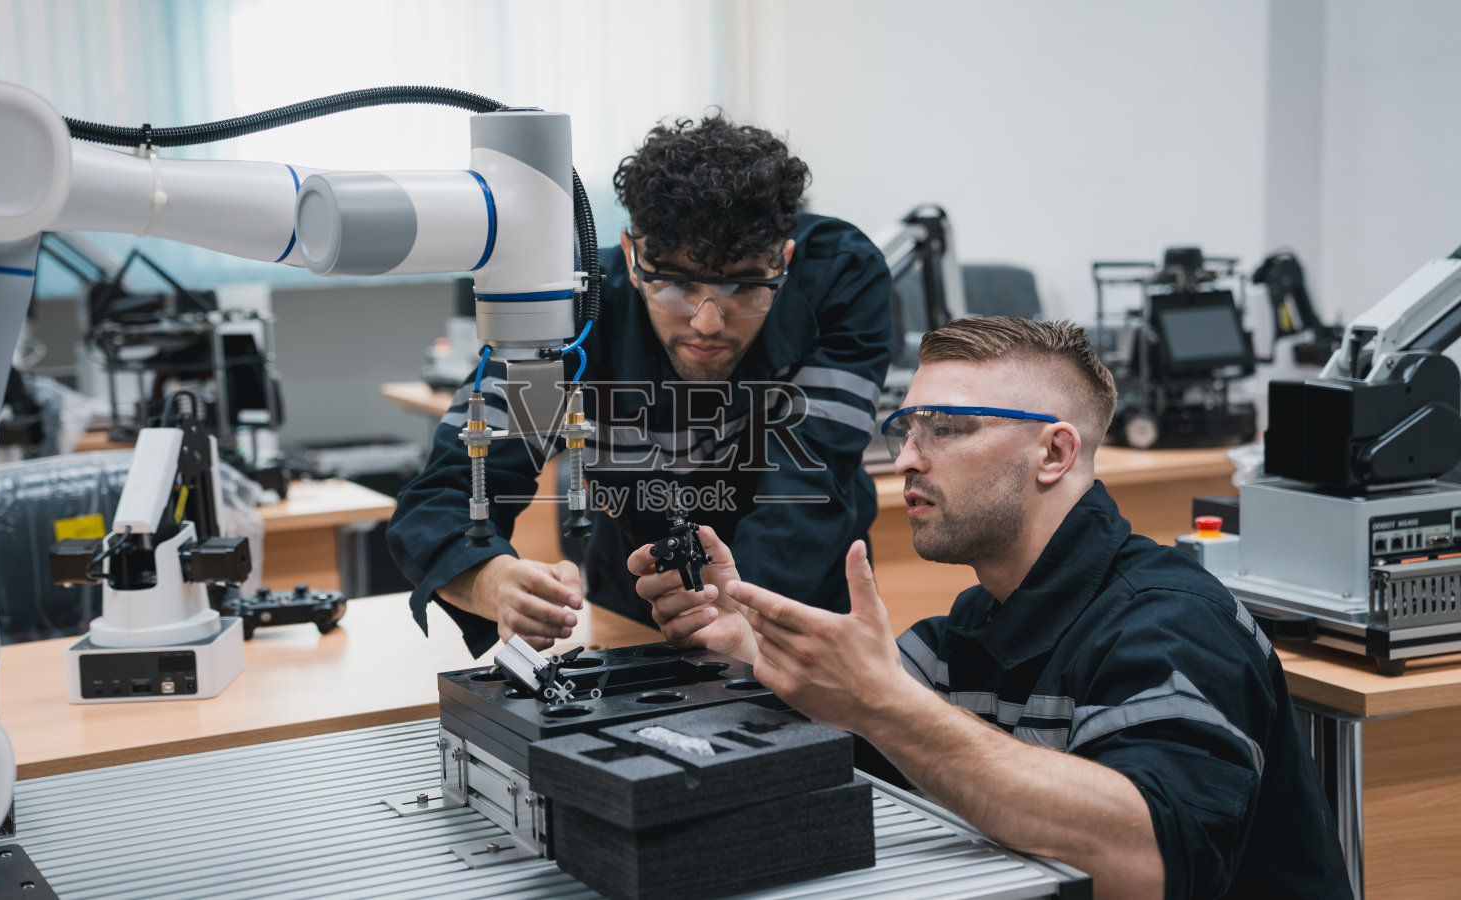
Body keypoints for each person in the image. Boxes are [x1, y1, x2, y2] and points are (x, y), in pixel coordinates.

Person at [637, 316, 1352, 900]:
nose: (907, 459)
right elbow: (863, 730)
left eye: (946, 429)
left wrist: (886, 704)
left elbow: (1148, 862)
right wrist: (745, 646)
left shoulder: (1172, 624)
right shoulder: (968, 630)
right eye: (905, 430)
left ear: (1054, 454)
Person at [390, 113, 892, 657]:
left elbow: (807, 486)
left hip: (796, 606)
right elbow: (444, 496)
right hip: (636, 608)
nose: (706, 322)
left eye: (744, 286)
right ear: (631, 256)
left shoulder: (836, 281)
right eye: (675, 283)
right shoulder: (575, 318)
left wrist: (735, 615)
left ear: (784, 261)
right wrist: (494, 581)